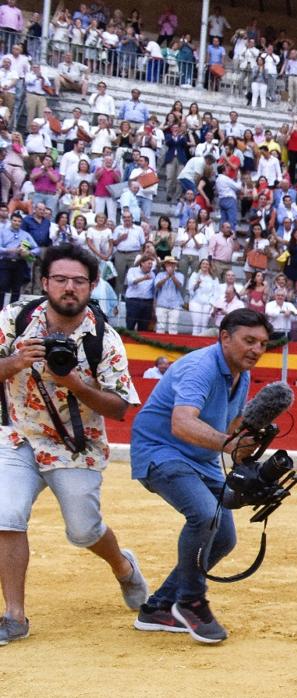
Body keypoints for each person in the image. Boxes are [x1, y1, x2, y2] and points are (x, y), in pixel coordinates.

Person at [0, 246, 146, 647]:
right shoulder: (14, 321)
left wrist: (75, 384)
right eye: (60, 279)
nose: (69, 288)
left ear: (92, 286)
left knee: (83, 531)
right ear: (44, 283)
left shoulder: (105, 340)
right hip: (18, 435)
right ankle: (14, 615)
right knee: (5, 515)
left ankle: (123, 567)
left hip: (74, 445)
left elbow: (119, 407)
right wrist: (12, 363)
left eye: (78, 281)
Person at [127, 307, 273, 644]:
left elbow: (230, 428)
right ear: (224, 337)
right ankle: (191, 601)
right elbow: (182, 423)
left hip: (201, 459)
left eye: (263, 344)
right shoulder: (200, 368)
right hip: (161, 450)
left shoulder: (242, 373)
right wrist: (229, 444)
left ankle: (159, 608)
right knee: (205, 515)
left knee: (224, 537)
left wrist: (248, 451)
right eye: (249, 340)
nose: (256, 350)